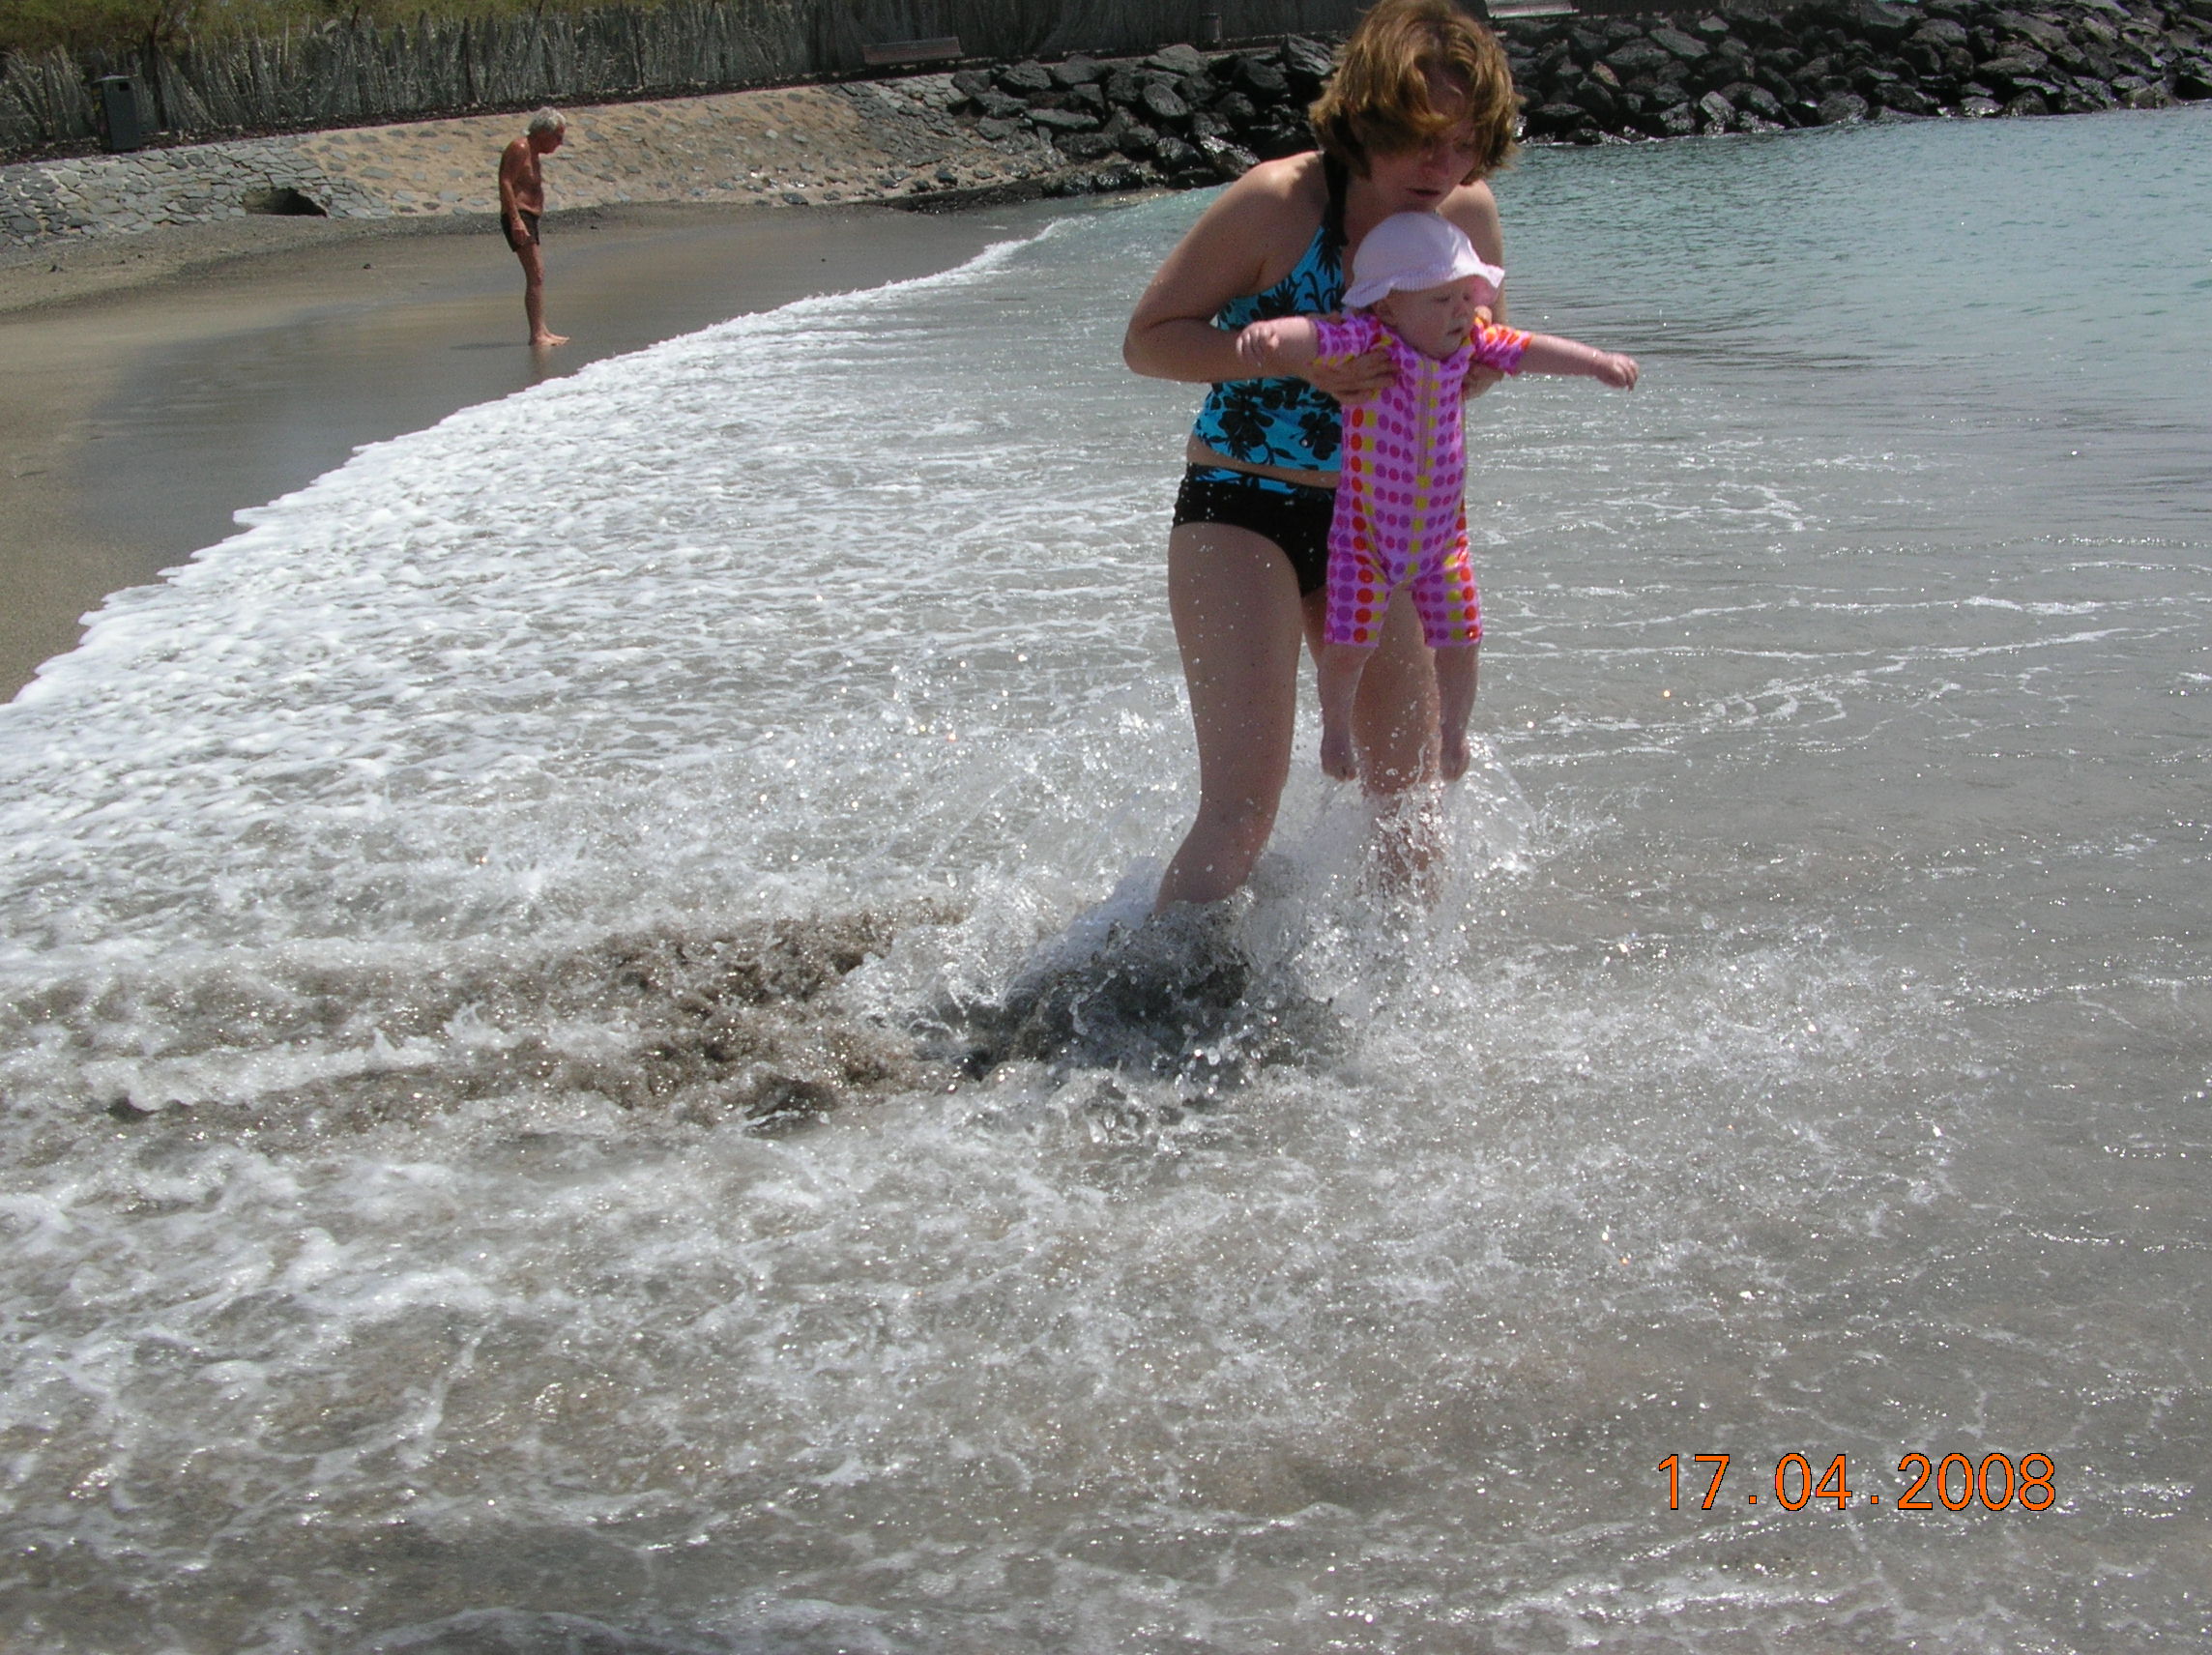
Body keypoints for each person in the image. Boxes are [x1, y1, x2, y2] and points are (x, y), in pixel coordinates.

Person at [1122, 0, 1519, 912]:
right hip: (1243, 506)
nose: (1442, 167)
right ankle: (1147, 986)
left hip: (1380, 525)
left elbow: (1474, 363)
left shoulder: (1467, 215)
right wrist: (1288, 357)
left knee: (1409, 807)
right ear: (1366, 116)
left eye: (1464, 144)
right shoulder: (1280, 203)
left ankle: (1396, 1000)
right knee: (1242, 812)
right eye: (1421, 138)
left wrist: (1460, 368)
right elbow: (1148, 340)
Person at [1235, 212, 1639, 784]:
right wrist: (1274, 336)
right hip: (1366, 540)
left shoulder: (1471, 343)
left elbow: (1530, 349)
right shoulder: (1372, 340)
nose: (1460, 311)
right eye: (1441, 299)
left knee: (1464, 640)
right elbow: (1317, 335)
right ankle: (1336, 731)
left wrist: (1597, 364)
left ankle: (1454, 734)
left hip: (1442, 543)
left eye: (1466, 296)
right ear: (1388, 307)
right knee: (1348, 648)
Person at [500, 107, 568, 348]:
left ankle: (542, 330)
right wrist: (515, 220)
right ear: (543, 133)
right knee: (536, 273)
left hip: (529, 216)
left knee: (538, 274)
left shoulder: (533, 152)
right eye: (557, 137)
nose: (560, 143)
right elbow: (505, 182)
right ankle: (537, 334)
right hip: (519, 216)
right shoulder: (519, 147)